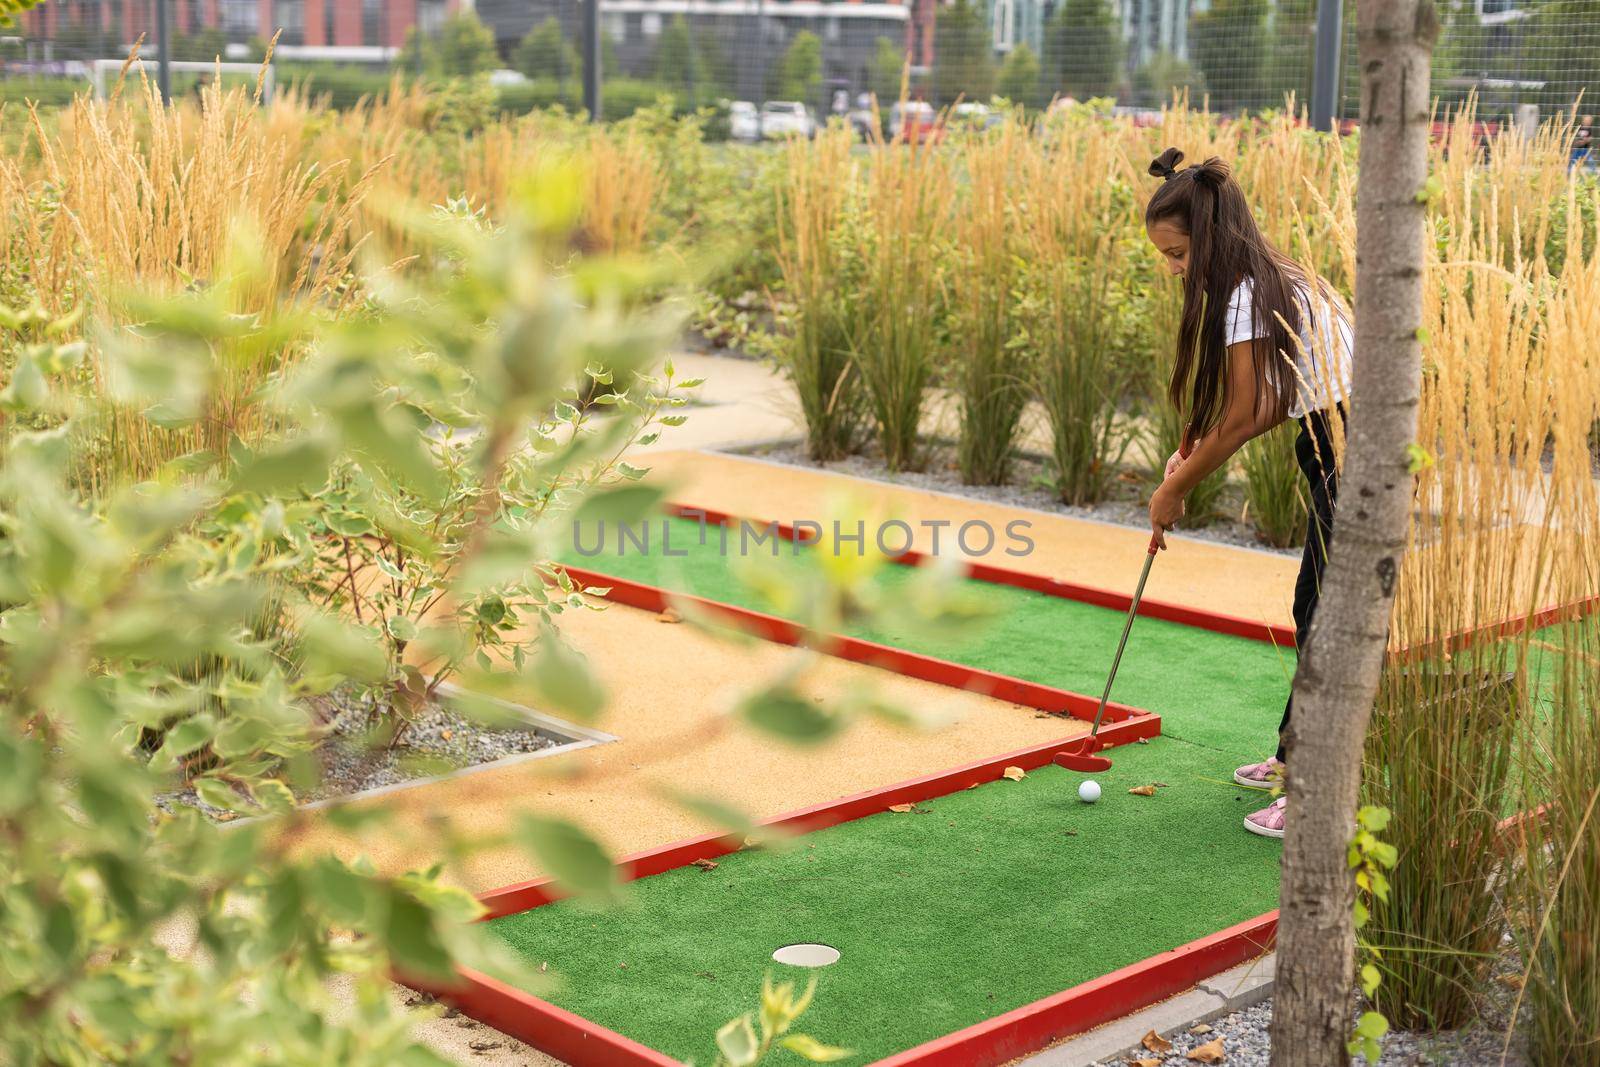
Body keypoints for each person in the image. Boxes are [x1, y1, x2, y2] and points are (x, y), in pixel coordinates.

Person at [1141, 147, 1355, 840]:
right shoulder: (1270, 275)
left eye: (1175, 255)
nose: (1172, 269)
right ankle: (1297, 754)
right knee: (1313, 605)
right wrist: (1191, 442)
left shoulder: (1244, 292)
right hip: (1334, 442)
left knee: (1326, 619)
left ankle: (1313, 786)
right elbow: (1259, 406)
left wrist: (1174, 488)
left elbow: (1246, 414)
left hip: (1355, 451)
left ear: (1204, 240)